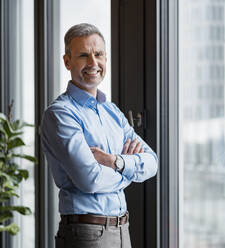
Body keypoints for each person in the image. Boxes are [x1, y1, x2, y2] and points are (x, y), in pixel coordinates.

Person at [41, 23, 158, 248]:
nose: (93, 63)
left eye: (99, 54)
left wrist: (114, 161)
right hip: (86, 234)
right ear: (67, 61)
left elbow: (152, 162)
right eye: (84, 55)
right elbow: (90, 179)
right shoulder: (61, 114)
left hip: (122, 229)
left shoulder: (111, 111)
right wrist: (130, 171)